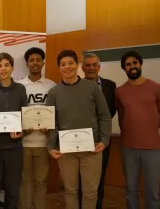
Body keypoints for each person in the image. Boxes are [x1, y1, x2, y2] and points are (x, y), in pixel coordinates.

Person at [46, 50, 111, 209]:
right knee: (70, 191)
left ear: (77, 65)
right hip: (66, 151)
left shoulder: (93, 88)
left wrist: (104, 140)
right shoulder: (54, 93)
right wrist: (51, 147)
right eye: (63, 64)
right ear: (59, 68)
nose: (67, 67)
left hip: (92, 149)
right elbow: (52, 122)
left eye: (70, 63)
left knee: (90, 193)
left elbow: (104, 116)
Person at [115, 51, 160, 209]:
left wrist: (151, 124)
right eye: (128, 64)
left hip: (153, 147)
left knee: (153, 192)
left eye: (135, 63)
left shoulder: (156, 87)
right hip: (128, 147)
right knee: (131, 190)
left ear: (140, 64)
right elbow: (121, 117)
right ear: (124, 68)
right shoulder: (119, 92)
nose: (132, 66)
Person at [0, 52, 27, 209]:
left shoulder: (21, 89)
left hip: (14, 147)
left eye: (6, 65)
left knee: (13, 189)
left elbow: (24, 116)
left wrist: (22, 131)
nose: (3, 69)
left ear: (12, 67)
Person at [18, 47, 56, 209]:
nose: (35, 63)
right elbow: (14, 112)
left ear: (43, 62)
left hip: (43, 143)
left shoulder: (51, 86)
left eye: (38, 60)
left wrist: (51, 126)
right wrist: (21, 127)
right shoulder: (19, 86)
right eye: (31, 60)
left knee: (41, 181)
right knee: (24, 181)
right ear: (26, 63)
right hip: (23, 143)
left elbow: (57, 112)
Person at [78, 53, 116, 209]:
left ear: (99, 67)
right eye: (87, 65)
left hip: (102, 140)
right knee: (81, 178)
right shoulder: (77, 85)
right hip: (80, 139)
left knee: (99, 177)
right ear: (82, 67)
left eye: (94, 65)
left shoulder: (110, 85)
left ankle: (97, 206)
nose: (91, 68)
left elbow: (111, 111)